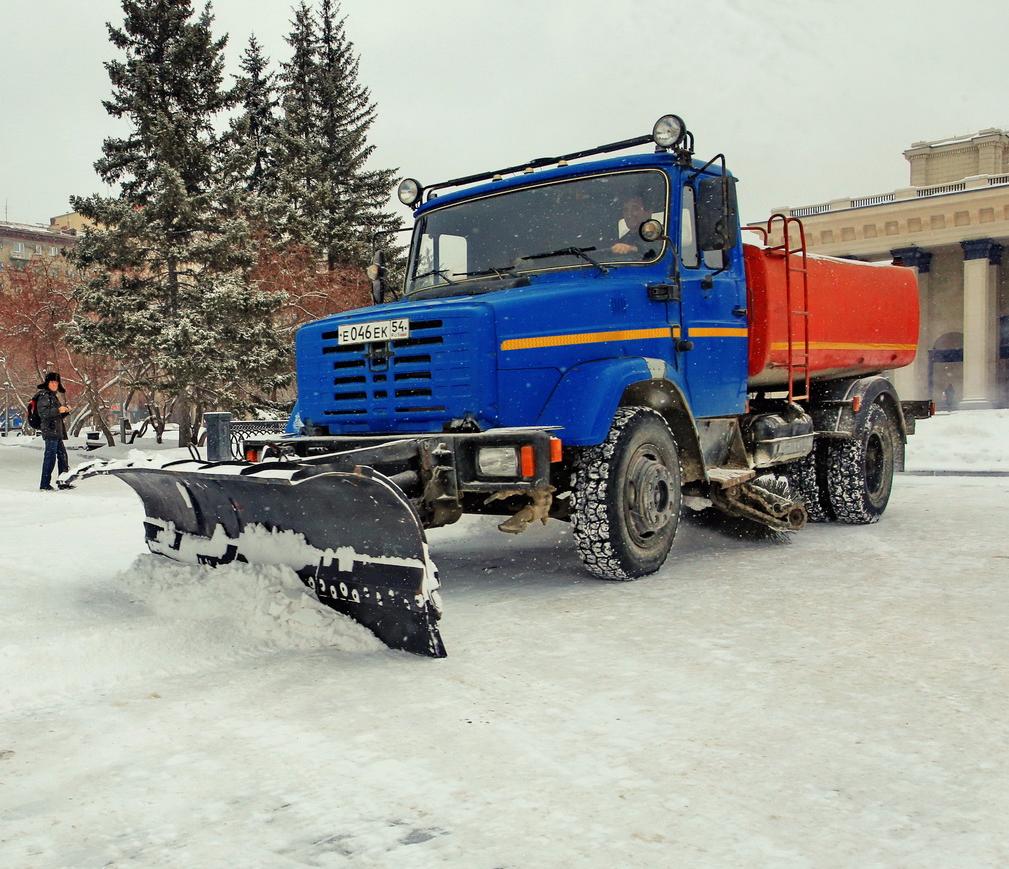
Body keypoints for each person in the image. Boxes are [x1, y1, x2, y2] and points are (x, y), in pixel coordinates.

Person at [36, 371, 72, 491]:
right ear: (47, 383)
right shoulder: (44, 395)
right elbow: (43, 413)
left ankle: (63, 482)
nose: (54, 384)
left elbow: (57, 416)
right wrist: (58, 410)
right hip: (50, 431)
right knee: (50, 458)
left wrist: (65, 411)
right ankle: (44, 484)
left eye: (56, 382)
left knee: (62, 457)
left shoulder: (53, 396)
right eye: (52, 382)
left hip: (56, 432)